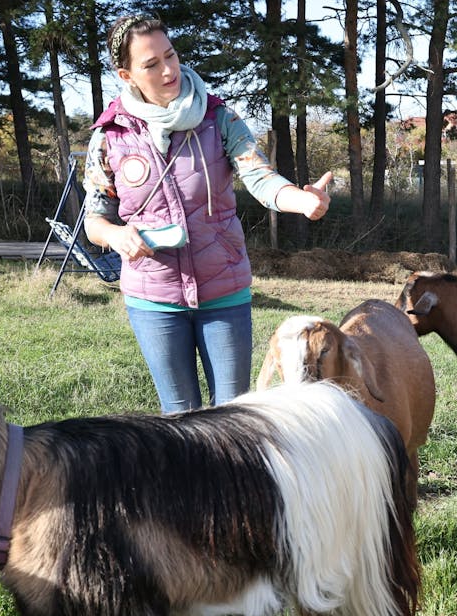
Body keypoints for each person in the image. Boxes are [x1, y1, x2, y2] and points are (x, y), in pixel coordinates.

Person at [84, 15, 332, 413]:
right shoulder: (110, 135)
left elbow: (259, 175)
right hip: (153, 300)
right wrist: (115, 236)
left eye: (171, 55)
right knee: (180, 417)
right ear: (126, 74)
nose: (169, 70)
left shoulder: (219, 118)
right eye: (151, 64)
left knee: (232, 416)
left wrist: (300, 200)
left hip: (224, 293)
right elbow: (94, 219)